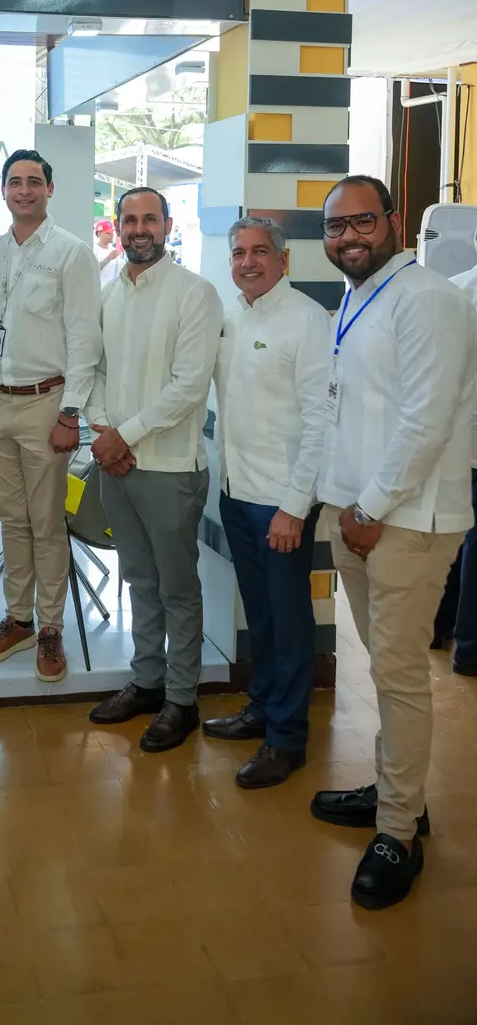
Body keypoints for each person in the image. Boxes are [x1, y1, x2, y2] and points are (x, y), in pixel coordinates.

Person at [311, 175, 477, 910]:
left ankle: (399, 833)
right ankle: (396, 793)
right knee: (387, 669)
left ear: (394, 219)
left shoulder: (427, 300)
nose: (348, 236)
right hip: (361, 516)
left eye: (362, 221)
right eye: (335, 226)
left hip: (406, 520)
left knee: (401, 675)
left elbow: (425, 420)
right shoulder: (360, 296)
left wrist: (370, 508)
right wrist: (340, 505)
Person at [86, 187, 222, 752]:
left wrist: (124, 437)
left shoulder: (195, 293)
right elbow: (94, 370)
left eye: (149, 219)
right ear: (118, 226)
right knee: (139, 579)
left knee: (177, 589)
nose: (139, 228)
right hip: (116, 466)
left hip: (169, 468)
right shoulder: (109, 292)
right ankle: (146, 681)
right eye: (129, 219)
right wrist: (104, 433)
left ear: (167, 225)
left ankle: (182, 699)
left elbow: (189, 387)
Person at [203, 217, 330, 787]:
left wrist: (295, 506)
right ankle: (263, 706)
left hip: (281, 503)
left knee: (290, 619)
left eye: (259, 252)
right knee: (260, 614)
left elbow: (322, 422)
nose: (247, 262)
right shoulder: (230, 317)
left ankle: (287, 738)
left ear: (283, 260)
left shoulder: (306, 320)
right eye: (238, 253)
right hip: (237, 494)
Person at [0, 149, 102, 683]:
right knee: (11, 518)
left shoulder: (72, 253)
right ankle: (18, 619)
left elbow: (84, 338)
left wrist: (71, 413)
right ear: (3, 190)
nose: (23, 190)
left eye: (33, 181)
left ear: (50, 189)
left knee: (46, 522)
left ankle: (50, 627)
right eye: (14, 181)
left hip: (47, 403)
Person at [430, 249, 477, 676]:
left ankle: (439, 628)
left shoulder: (454, 288)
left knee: (459, 542)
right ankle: (471, 648)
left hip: (458, 438)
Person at [95, 217, 122, 287]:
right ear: (99, 234)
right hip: (99, 289)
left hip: (111, 290)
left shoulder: (114, 250)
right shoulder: (94, 249)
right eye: (108, 233)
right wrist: (109, 258)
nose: (111, 235)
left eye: (112, 233)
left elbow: (119, 272)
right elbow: (92, 270)